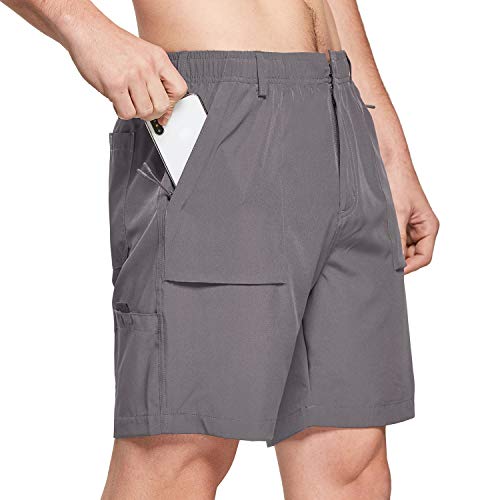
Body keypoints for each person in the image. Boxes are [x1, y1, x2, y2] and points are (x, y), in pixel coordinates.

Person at [3, 0, 439, 498]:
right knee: (180, 446)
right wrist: (89, 32)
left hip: (344, 111)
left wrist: (390, 151)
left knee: (350, 457)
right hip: (216, 112)